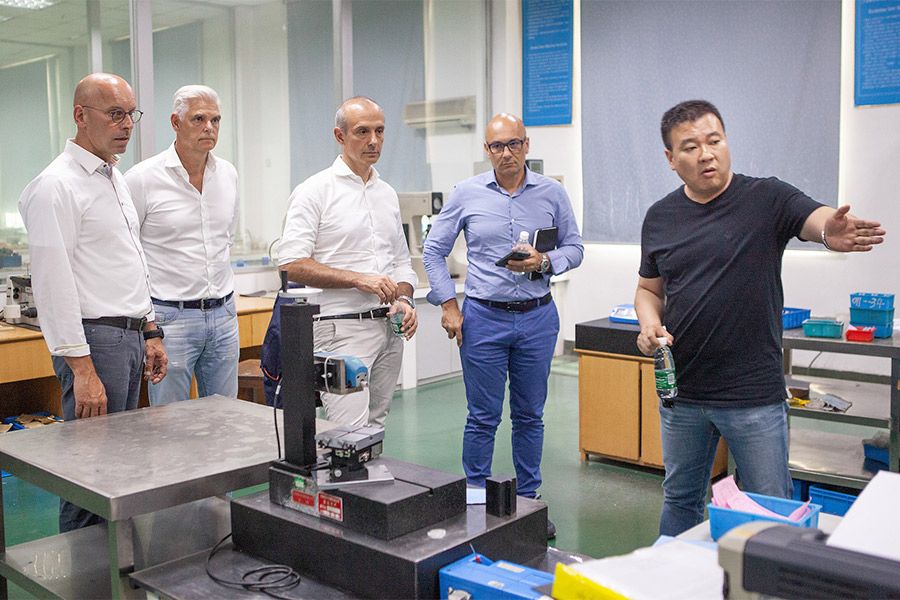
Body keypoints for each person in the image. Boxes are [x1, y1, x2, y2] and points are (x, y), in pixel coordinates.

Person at [634, 99, 886, 537]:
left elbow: (814, 218)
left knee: (771, 506)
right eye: (690, 147)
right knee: (680, 499)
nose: (706, 154)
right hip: (682, 392)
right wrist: (647, 323)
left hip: (753, 394)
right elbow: (648, 290)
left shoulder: (767, 198)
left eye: (715, 141)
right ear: (671, 159)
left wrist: (829, 232)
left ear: (726, 142)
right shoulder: (659, 218)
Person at [18, 73, 168, 532]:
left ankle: (116, 561)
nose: (127, 125)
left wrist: (150, 329)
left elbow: (128, 261)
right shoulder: (56, 186)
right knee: (91, 474)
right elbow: (52, 284)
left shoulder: (112, 176)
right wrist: (82, 370)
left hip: (127, 337)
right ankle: (85, 568)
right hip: (95, 343)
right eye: (115, 114)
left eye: (131, 114)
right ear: (80, 116)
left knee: (118, 470)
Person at [423, 113, 584, 539]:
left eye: (514, 144)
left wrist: (546, 261)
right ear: (487, 150)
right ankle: (475, 504)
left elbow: (575, 247)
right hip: (483, 320)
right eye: (498, 146)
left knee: (530, 415)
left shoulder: (552, 193)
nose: (507, 153)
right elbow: (433, 250)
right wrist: (448, 305)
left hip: (537, 317)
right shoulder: (466, 193)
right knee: (482, 417)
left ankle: (527, 504)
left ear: (527, 145)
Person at [277, 96, 417, 427]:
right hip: (340, 330)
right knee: (348, 433)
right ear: (340, 136)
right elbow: (291, 263)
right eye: (362, 131)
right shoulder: (314, 191)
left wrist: (405, 299)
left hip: (389, 328)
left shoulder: (387, 194)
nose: (373, 140)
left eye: (380, 131)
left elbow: (401, 261)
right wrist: (357, 278)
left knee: (376, 426)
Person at [125, 85, 240, 405]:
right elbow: (129, 253)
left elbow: (226, 239)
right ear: (175, 122)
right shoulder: (142, 179)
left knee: (225, 418)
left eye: (216, 120)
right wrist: (148, 327)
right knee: (171, 422)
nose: (209, 127)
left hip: (223, 314)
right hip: (169, 319)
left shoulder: (228, 174)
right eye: (199, 119)